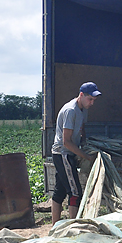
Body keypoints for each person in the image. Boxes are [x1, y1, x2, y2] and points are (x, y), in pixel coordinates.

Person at [51, 82, 101, 225]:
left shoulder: (83, 109)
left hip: (67, 153)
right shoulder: (70, 110)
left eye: (94, 100)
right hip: (63, 154)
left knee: (59, 191)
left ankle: (55, 226)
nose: (92, 103)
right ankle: (72, 227)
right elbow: (66, 142)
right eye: (90, 99)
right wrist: (86, 157)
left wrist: (84, 143)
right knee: (75, 192)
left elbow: (81, 128)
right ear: (81, 95)